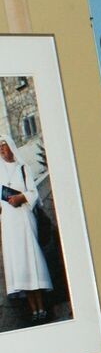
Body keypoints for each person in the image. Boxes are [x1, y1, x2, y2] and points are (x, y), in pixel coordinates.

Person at [0, 133, 52, 322]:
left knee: (32, 258)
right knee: (20, 263)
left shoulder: (23, 168)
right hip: (9, 222)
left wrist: (21, 198)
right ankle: (34, 311)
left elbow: (34, 193)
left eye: (4, 145)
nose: (1, 149)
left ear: (11, 146)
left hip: (24, 218)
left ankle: (42, 307)